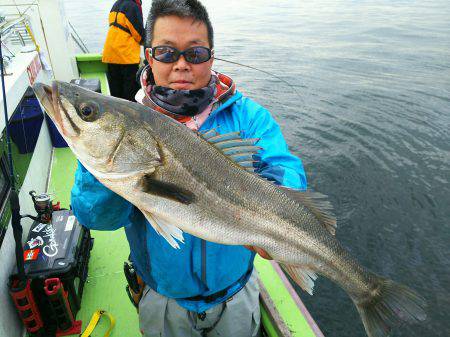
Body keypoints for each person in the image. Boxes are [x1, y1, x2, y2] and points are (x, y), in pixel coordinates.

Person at [71, 0, 307, 336]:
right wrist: (101, 165)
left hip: (237, 293)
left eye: (195, 54)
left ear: (211, 56)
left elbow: (286, 171)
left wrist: (265, 207)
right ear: (148, 56)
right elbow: (97, 218)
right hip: (164, 298)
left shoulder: (247, 118)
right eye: (166, 53)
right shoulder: (128, 123)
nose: (181, 65)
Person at [102, 0, 144, 101]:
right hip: (126, 55)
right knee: (130, 90)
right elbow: (138, 34)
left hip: (110, 52)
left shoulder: (116, 4)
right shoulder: (133, 6)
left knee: (115, 88)